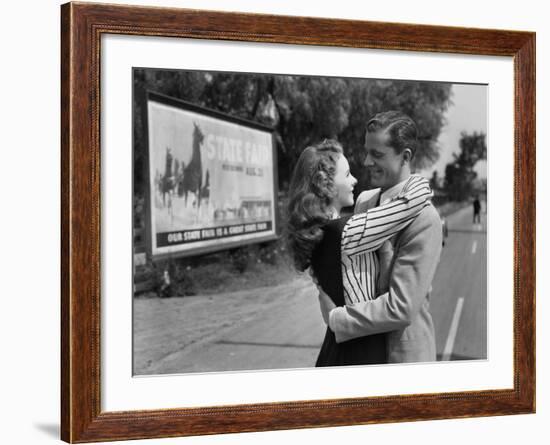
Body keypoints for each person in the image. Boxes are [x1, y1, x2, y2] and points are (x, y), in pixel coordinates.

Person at [285, 139, 433, 366]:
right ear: (325, 182)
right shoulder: (347, 232)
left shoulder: (317, 233)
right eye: (347, 175)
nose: (355, 180)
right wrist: (413, 175)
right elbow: (411, 202)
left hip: (337, 349)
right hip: (359, 355)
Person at [317, 111, 443, 363]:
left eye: (377, 154)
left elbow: (401, 307)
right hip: (359, 351)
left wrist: (337, 318)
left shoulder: (425, 219)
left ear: (405, 156)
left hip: (400, 359)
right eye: (367, 152)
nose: (365, 161)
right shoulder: (364, 201)